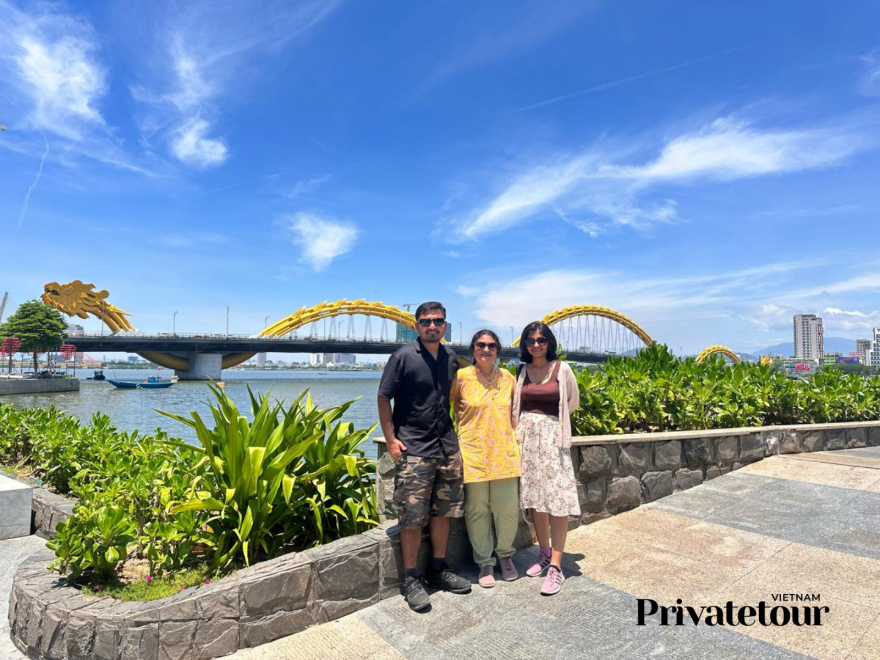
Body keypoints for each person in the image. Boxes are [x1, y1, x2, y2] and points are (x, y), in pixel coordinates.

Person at [377, 301, 472, 611]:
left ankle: (438, 568)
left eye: (438, 321)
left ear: (445, 325)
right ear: (416, 325)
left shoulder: (451, 358)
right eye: (426, 321)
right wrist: (391, 440)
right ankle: (410, 578)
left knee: (444, 511)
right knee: (412, 515)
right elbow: (383, 397)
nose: (433, 326)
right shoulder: (402, 357)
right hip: (414, 448)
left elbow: (459, 398)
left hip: (446, 446)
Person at [511, 322, 580, 596]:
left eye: (541, 340)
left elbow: (571, 402)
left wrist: (549, 426)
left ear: (549, 342)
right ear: (525, 344)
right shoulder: (521, 371)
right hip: (527, 442)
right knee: (536, 500)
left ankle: (556, 566)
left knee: (557, 501)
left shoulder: (562, 369)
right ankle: (543, 552)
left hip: (553, 440)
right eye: (530, 340)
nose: (536, 345)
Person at [451, 329, 521, 588]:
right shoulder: (461, 377)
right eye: (481, 345)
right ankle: (484, 562)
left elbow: (517, 413)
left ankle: (505, 555)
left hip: (504, 453)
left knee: (507, 508)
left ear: (497, 350)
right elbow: (446, 409)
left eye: (491, 345)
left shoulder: (508, 379)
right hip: (473, 453)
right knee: (476, 509)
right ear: (473, 349)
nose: (486, 349)